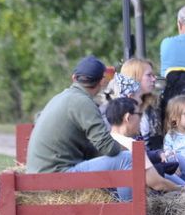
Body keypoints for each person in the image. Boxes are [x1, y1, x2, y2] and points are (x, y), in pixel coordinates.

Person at [26, 55, 134, 200]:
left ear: (74, 78)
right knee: (128, 159)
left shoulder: (60, 97)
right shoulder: (83, 103)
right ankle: (130, 213)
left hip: (36, 178)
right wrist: (129, 149)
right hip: (56, 178)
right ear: (102, 81)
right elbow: (109, 148)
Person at [105, 97, 181, 193]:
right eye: (140, 114)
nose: (141, 119)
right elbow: (157, 183)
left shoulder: (106, 141)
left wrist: (158, 154)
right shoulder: (130, 144)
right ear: (128, 117)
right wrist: (183, 189)